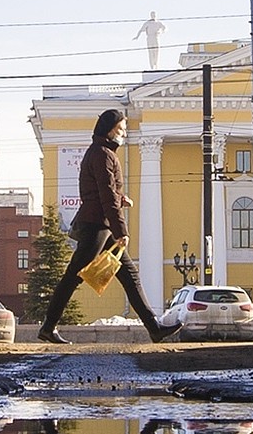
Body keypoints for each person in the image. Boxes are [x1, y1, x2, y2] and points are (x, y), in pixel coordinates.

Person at [37, 108, 182, 344]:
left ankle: (154, 327)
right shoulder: (103, 154)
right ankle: (48, 326)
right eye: (121, 129)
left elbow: (104, 192)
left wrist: (120, 198)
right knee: (73, 276)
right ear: (109, 130)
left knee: (130, 276)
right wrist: (121, 231)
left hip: (100, 224)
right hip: (97, 226)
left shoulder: (100, 152)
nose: (124, 134)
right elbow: (105, 197)